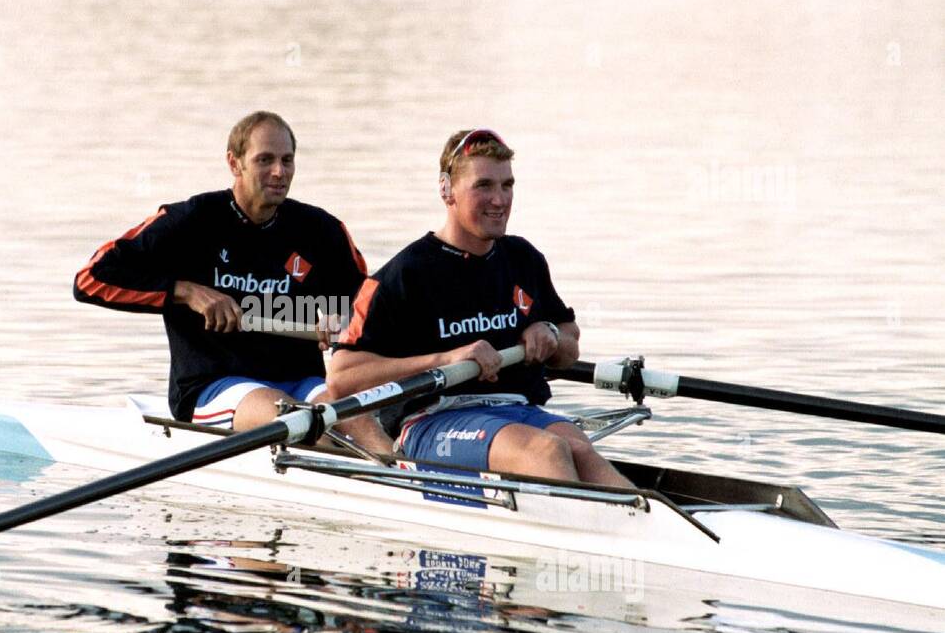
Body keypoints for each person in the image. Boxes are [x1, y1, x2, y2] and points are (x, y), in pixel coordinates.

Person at [327, 128, 632, 486]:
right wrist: (445, 359)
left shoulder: (523, 259)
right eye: (484, 185)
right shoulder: (405, 275)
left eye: (507, 185)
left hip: (517, 409)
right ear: (447, 190)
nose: (500, 200)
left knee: (581, 452)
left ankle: (649, 535)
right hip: (435, 420)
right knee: (547, 451)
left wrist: (548, 333)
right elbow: (341, 379)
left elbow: (569, 347)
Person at [74, 111, 393, 449]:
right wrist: (186, 292)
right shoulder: (190, 221)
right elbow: (91, 279)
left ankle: (409, 482)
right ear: (234, 163)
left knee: (360, 422)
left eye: (287, 160)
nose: (279, 172)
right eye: (265, 160)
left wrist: (341, 318)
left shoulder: (320, 229)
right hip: (215, 385)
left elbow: (365, 306)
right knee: (304, 421)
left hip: (304, 380)